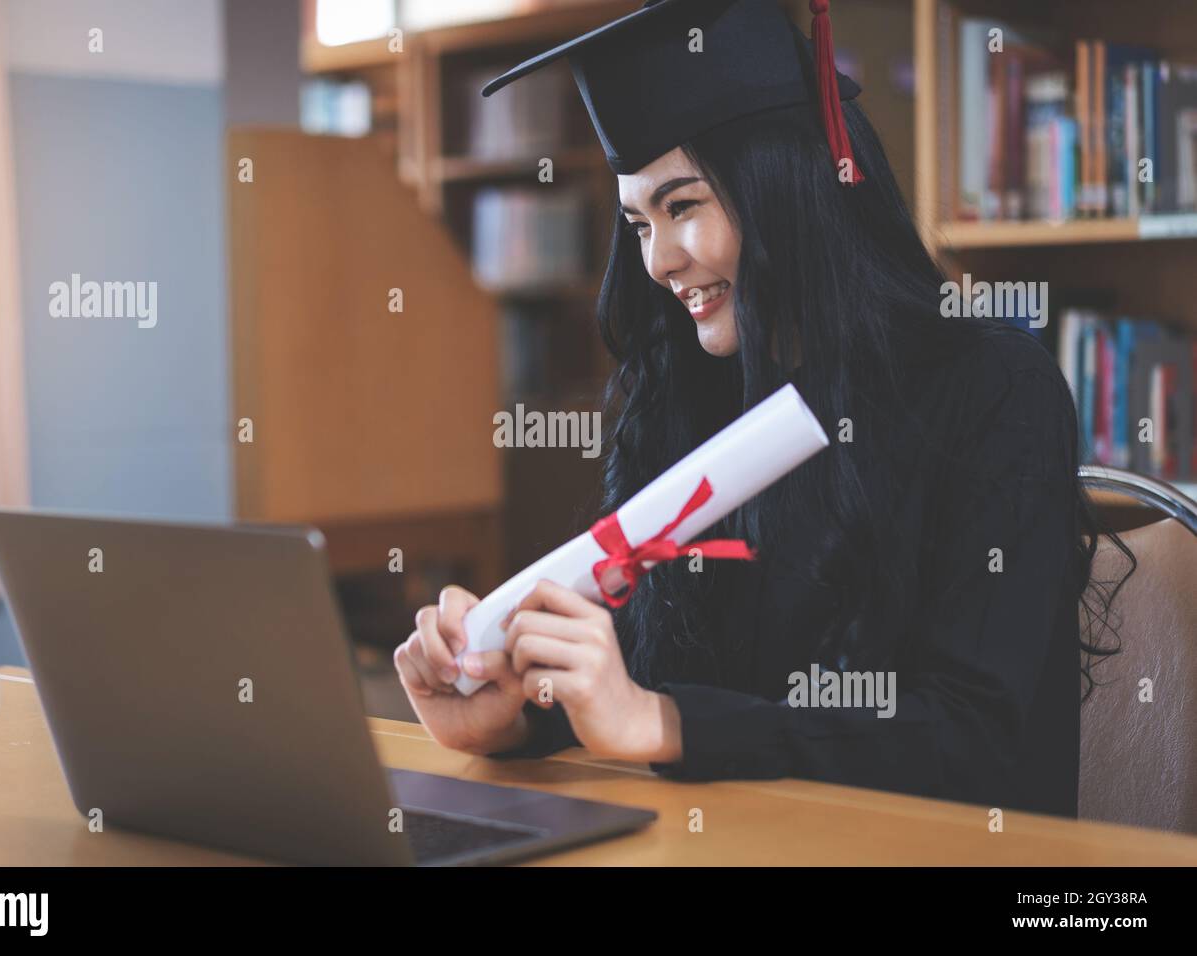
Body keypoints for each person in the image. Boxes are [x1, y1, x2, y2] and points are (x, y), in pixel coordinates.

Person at [392, 0, 1132, 817]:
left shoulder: (994, 388)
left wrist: (666, 723)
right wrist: (523, 715)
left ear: (790, 185)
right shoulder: (688, 399)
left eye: (683, 207)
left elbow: (970, 734)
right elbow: (645, 681)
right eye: (638, 222)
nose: (659, 261)